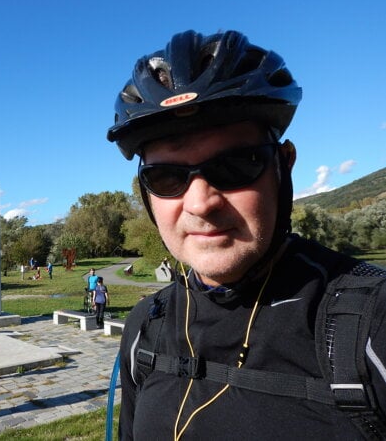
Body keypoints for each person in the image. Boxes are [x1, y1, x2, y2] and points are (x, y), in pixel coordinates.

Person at [107, 30, 386, 439]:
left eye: (236, 165)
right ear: (147, 196)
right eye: (167, 177)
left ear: (283, 168)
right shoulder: (145, 329)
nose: (201, 203)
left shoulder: (368, 325)